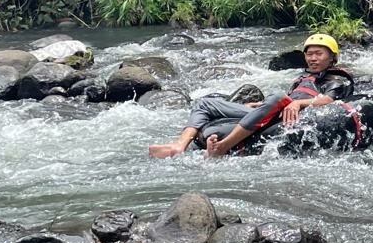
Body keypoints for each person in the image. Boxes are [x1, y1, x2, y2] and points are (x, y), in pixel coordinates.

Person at [147, 33, 355, 159]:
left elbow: (328, 101)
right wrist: (261, 104)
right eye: (309, 54)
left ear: (332, 58)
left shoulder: (335, 80)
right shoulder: (303, 77)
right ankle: (179, 145)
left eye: (319, 54)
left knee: (276, 97)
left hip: (291, 117)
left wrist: (296, 104)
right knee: (205, 103)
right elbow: (285, 100)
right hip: (273, 111)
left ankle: (222, 147)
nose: (313, 58)